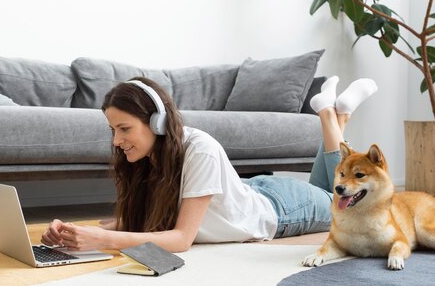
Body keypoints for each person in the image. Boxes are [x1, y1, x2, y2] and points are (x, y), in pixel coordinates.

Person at [40, 75, 378, 252]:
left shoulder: (198, 149)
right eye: (113, 130)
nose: (116, 141)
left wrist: (103, 240)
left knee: (339, 201)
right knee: (324, 188)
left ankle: (328, 113)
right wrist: (76, 233)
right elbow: (145, 222)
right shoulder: (145, 156)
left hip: (282, 210)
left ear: (156, 123)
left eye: (124, 129)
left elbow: (181, 239)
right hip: (254, 192)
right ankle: (336, 113)